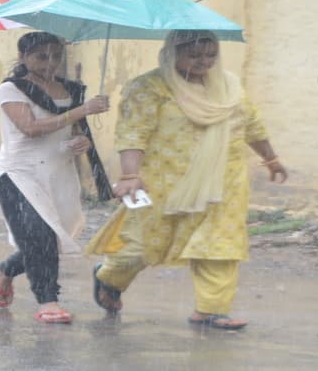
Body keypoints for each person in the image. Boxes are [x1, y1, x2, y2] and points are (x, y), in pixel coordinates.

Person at [87, 30, 287, 330]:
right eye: (194, 55)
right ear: (172, 53)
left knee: (220, 245)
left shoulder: (229, 87)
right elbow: (133, 133)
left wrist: (270, 159)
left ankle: (211, 310)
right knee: (141, 247)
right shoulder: (149, 87)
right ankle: (109, 277)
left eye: (210, 55)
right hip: (166, 182)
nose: (203, 62)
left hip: (224, 182)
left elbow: (251, 124)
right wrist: (130, 175)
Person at [0, 32, 110, 324]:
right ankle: (48, 301)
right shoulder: (11, 89)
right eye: (41, 56)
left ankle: (1, 271)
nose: (49, 63)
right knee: (39, 236)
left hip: (57, 173)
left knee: (49, 238)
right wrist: (82, 109)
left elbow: (74, 131)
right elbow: (31, 128)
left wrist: (80, 141)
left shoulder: (70, 89)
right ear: (23, 58)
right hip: (19, 173)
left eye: (56, 56)